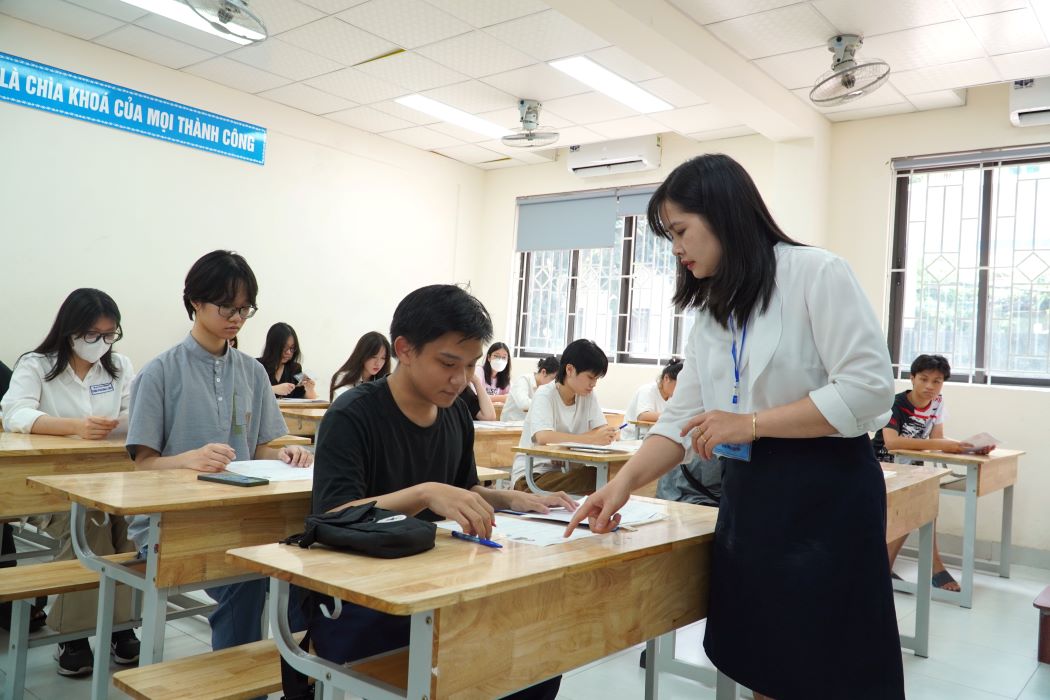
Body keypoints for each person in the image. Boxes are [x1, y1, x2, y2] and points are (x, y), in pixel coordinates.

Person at [565, 154, 904, 700]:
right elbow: (681, 418)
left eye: (680, 231)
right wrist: (621, 483)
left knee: (829, 666)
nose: (675, 248)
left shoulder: (816, 272)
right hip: (751, 498)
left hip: (826, 497)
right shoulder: (714, 309)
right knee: (765, 664)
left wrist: (751, 422)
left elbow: (868, 390)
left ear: (722, 214)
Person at [307, 284, 569, 700]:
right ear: (405, 350)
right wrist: (425, 494)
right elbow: (335, 514)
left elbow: (462, 486)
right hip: (366, 600)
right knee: (490, 663)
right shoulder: (352, 415)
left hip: (437, 585)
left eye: (469, 366)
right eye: (448, 363)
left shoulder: (455, 415)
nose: (460, 379)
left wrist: (511, 498)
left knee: (536, 657)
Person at [126, 250, 313, 658]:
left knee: (307, 576)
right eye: (227, 306)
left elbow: (262, 446)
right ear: (195, 301)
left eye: (245, 309)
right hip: (175, 524)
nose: (237, 318)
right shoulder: (159, 372)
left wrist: (288, 453)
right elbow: (144, 465)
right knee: (245, 582)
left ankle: (303, 679)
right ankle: (241, 683)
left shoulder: (252, 372)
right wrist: (187, 460)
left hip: (244, 517)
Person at [0, 288, 140, 676]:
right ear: (71, 330)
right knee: (89, 526)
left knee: (131, 528)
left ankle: (121, 628)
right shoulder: (37, 364)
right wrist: (75, 427)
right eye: (93, 335)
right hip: (48, 485)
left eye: (109, 335)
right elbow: (15, 414)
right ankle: (74, 637)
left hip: (110, 481)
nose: (101, 344)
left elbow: (137, 413)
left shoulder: (119, 367)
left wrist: (118, 425)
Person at [872, 354, 991, 592]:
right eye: (924, 379)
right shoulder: (894, 404)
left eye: (936, 381)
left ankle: (886, 570)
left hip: (913, 467)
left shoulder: (937, 402)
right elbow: (892, 442)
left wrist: (967, 446)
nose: (929, 386)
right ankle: (931, 568)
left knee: (923, 507)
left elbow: (937, 438)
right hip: (884, 466)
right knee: (915, 509)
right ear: (912, 378)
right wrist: (948, 445)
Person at [510, 340, 618, 495]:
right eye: (590, 377)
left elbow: (602, 431)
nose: (593, 384)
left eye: (596, 379)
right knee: (599, 477)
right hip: (533, 477)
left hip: (566, 472)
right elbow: (544, 437)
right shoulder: (545, 394)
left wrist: (566, 444)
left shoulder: (587, 396)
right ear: (570, 370)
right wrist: (591, 439)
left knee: (612, 472)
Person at [625, 359, 683, 438]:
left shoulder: (672, 397)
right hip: (634, 437)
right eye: (678, 384)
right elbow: (643, 416)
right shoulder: (647, 390)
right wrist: (673, 416)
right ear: (666, 378)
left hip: (654, 436)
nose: (680, 389)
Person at [258, 322, 317, 399]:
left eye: (292, 348)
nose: (288, 352)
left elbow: (305, 397)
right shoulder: (257, 365)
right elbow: (248, 392)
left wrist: (310, 389)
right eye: (284, 347)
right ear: (273, 346)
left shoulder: (295, 368)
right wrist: (273, 389)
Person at [330, 331, 391, 401]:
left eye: (383, 358)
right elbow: (341, 406)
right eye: (373, 357)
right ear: (362, 354)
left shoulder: (384, 382)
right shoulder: (344, 377)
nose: (378, 363)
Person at [501, 356, 558, 422]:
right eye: (553, 379)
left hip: (528, 426)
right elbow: (524, 404)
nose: (554, 384)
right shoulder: (523, 380)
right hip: (510, 425)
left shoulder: (546, 388)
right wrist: (547, 405)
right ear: (544, 372)